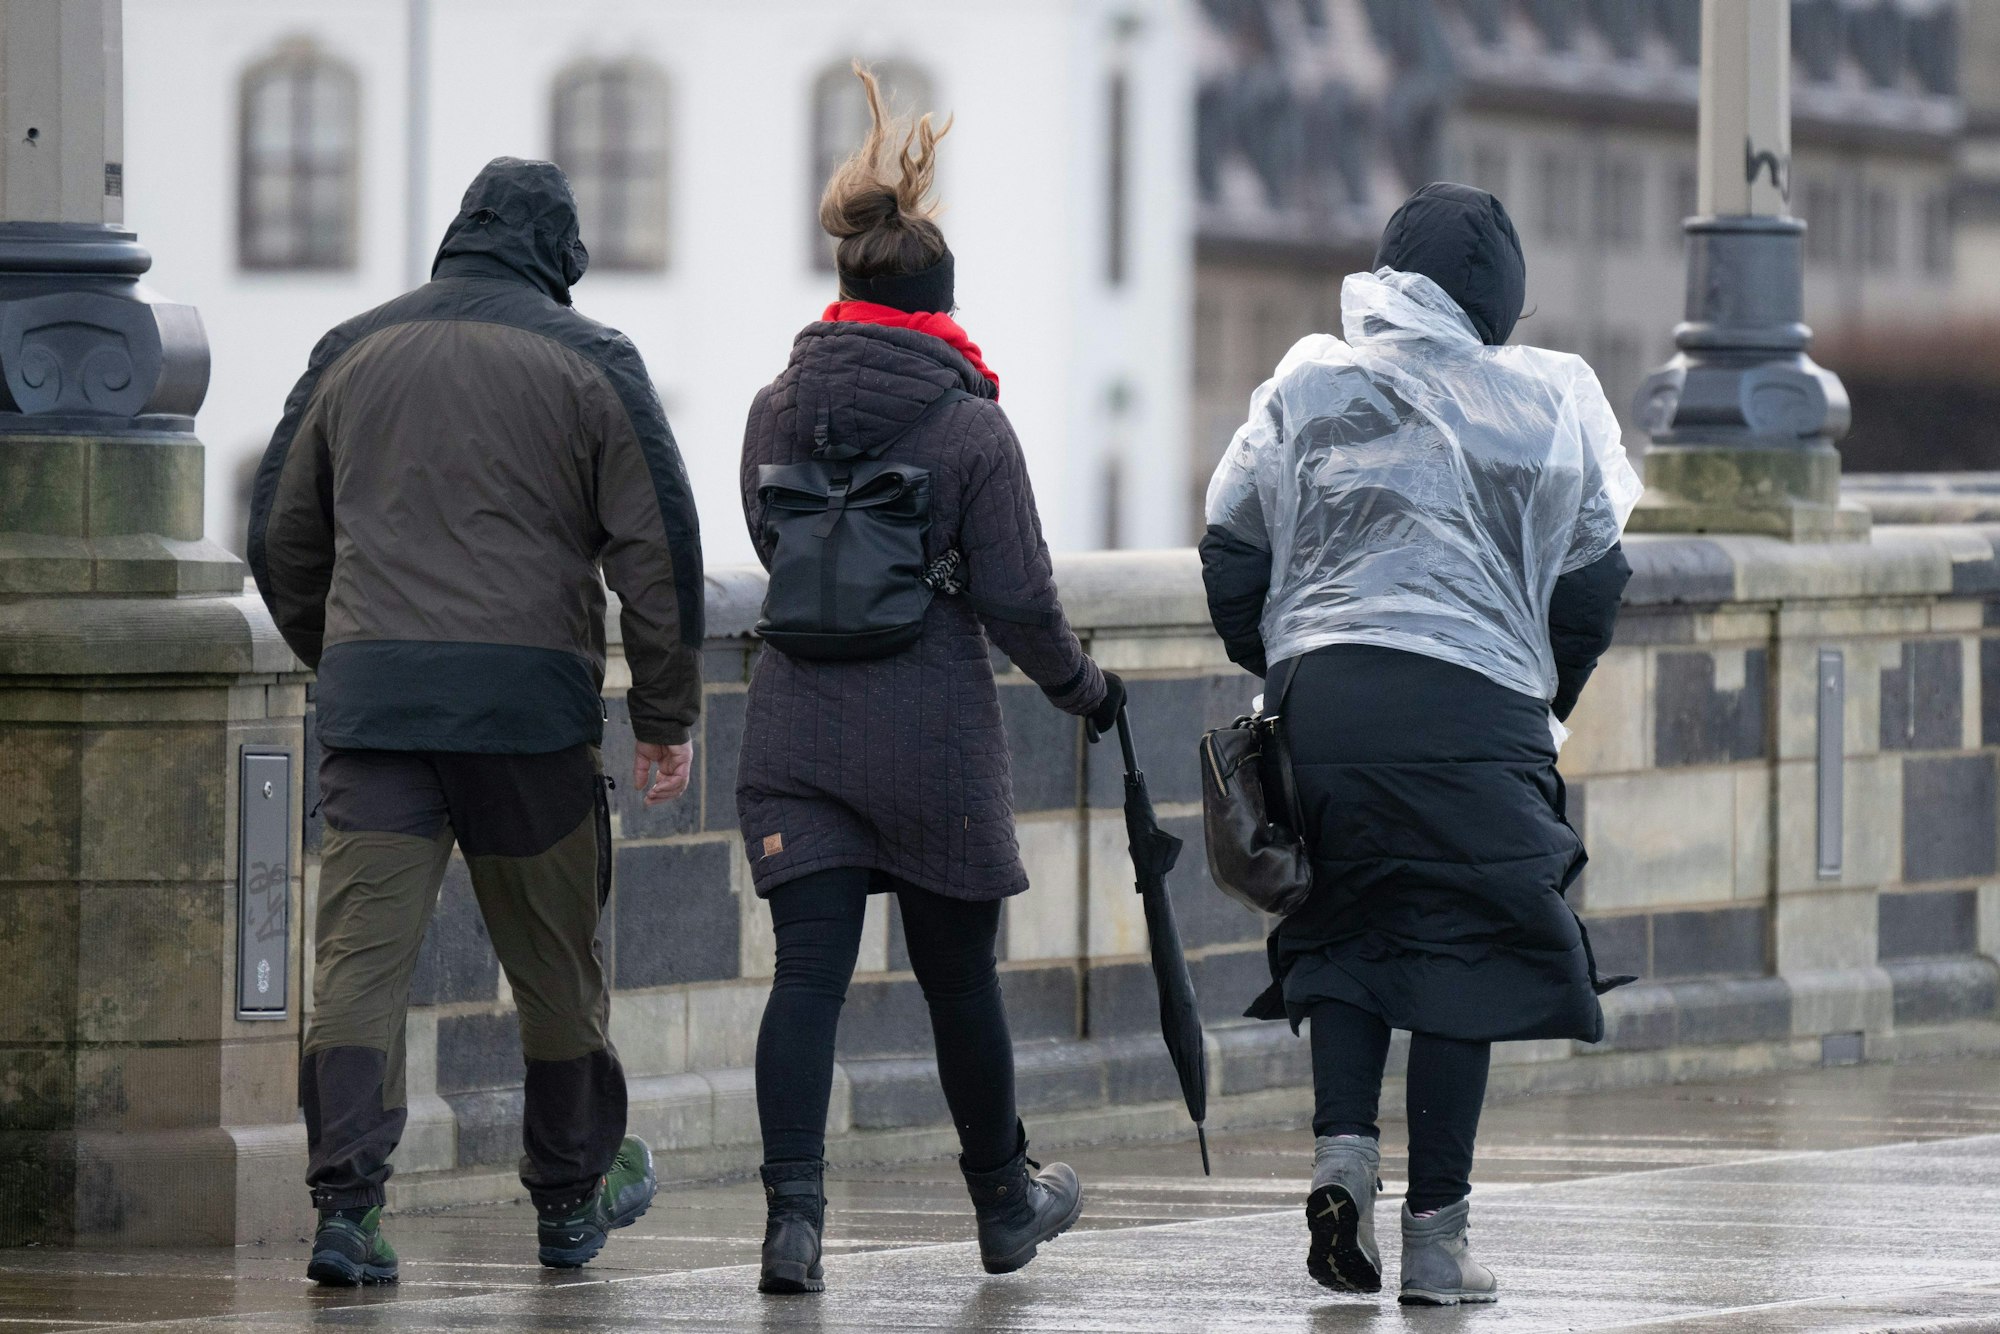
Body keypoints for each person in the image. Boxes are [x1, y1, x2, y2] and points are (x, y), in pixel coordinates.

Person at [249, 157, 706, 1285]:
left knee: (359, 961)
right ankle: (566, 1199)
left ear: (458, 236)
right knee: (553, 963)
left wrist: (347, 654)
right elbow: (658, 551)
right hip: (525, 710)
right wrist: (663, 712)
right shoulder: (593, 361)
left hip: (377, 709)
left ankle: (346, 1213)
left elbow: (279, 536)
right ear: (560, 259)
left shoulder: (351, 350)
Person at [1199, 183, 1641, 1307]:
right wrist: (1541, 700)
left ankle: (1342, 1154)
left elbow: (1229, 541)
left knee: (1339, 925)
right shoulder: (1544, 407)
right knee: (1465, 955)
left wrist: (1289, 663)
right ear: (1500, 297)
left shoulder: (1309, 389)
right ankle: (1436, 1248)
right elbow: (1592, 582)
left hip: (1327, 705)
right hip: (1476, 710)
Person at [734, 66, 1122, 1295]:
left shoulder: (773, 407)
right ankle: (1002, 1202)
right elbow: (1017, 596)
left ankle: (793, 1222)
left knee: (806, 981)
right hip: (935, 742)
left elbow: (770, 543)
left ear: (845, 293)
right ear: (940, 312)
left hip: (796, 728)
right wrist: (1085, 690)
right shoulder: (970, 428)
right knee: (960, 984)